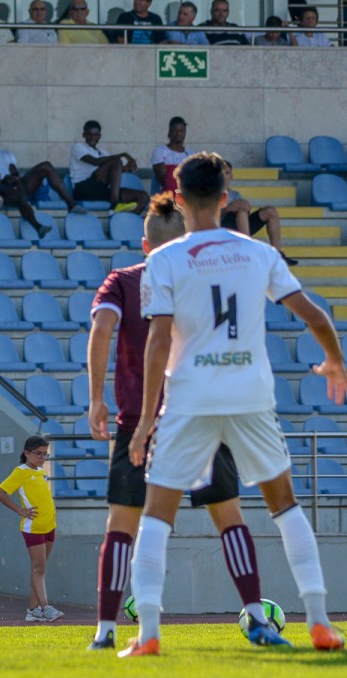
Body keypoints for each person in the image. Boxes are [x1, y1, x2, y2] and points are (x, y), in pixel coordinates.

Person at [122, 151, 346, 656]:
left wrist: (143, 423)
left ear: (178, 201)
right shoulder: (257, 253)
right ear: (225, 200)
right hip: (249, 394)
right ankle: (318, 621)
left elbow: (158, 343)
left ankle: (150, 634)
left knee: (157, 514)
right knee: (285, 506)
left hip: (190, 397)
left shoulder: (164, 259)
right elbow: (314, 315)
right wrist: (334, 360)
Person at [87, 191, 284, 651]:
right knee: (228, 515)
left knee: (123, 525)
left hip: (140, 417)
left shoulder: (124, 280)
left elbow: (101, 328)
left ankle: (107, 631)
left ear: (144, 244)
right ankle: (256, 617)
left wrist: (96, 398)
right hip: (200, 413)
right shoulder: (203, 279)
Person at [0, 435, 63, 622]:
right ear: (27, 453)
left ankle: (33, 610)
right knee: (38, 568)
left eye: (45, 454)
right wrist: (20, 510)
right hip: (33, 527)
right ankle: (45, 607)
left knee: (39, 569)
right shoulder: (21, 471)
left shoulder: (40, 471)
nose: (42, 458)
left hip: (49, 525)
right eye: (38, 454)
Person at [0, 120, 82, 236]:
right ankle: (37, 226)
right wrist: (3, 181)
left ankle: (71, 204)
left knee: (45, 166)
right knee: (18, 192)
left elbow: (13, 169)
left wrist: (15, 177)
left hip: (15, 184)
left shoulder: (7, 154)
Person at [220, 160, 293, 265]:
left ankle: (277, 254)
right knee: (241, 211)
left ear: (231, 176)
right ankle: (249, 249)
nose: (224, 177)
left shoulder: (235, 194)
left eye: (227, 173)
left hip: (239, 226)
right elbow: (209, 218)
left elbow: (245, 213)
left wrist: (246, 207)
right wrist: (228, 208)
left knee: (270, 211)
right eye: (221, 173)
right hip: (222, 228)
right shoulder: (212, 194)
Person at [68, 120, 148, 214]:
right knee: (116, 161)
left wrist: (127, 169)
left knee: (143, 197)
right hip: (83, 189)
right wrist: (123, 154)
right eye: (90, 134)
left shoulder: (103, 153)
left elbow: (114, 172)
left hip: (100, 190)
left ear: (100, 136)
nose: (93, 137)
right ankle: (115, 204)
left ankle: (123, 223)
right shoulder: (78, 147)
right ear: (84, 135)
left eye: (96, 135)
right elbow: (95, 162)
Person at [150, 116, 192, 194]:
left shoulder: (190, 154)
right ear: (169, 132)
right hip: (165, 196)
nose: (178, 133)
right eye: (175, 130)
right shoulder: (160, 152)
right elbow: (165, 182)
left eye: (182, 131)